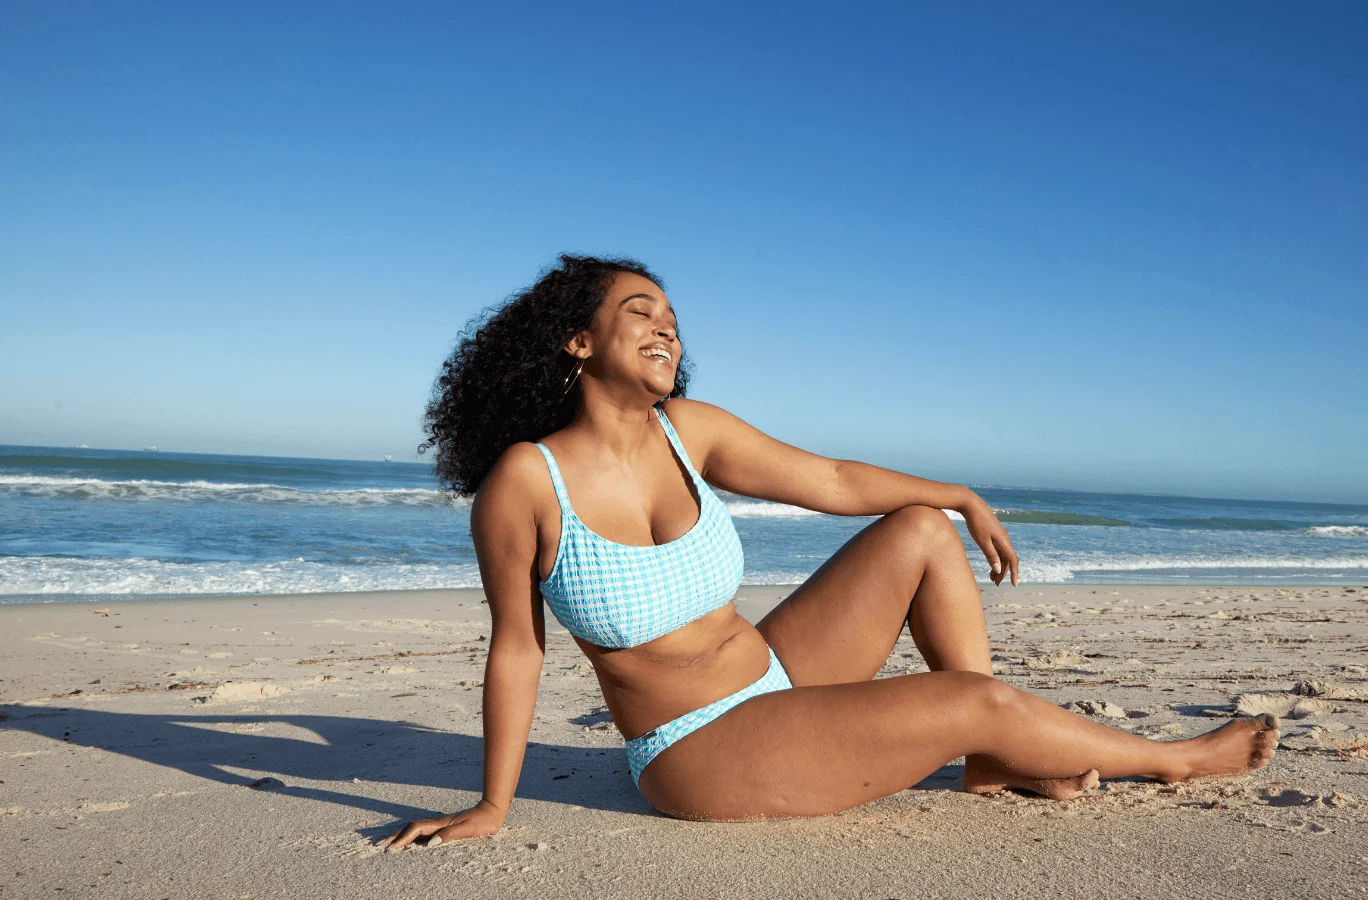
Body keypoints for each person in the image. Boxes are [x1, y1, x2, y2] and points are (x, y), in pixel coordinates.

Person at [385, 255, 1278, 848]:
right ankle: (1178, 758)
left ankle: (994, 760)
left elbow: (837, 482)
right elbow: (517, 648)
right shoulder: (526, 485)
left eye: (672, 318)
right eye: (638, 313)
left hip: (774, 672)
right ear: (578, 342)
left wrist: (957, 494)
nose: (667, 330)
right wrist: (493, 807)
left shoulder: (687, 431)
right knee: (971, 697)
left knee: (920, 532)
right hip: (696, 745)